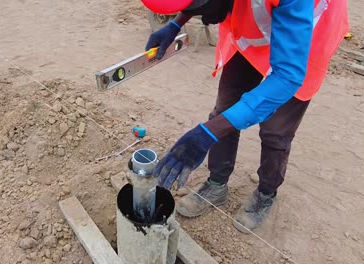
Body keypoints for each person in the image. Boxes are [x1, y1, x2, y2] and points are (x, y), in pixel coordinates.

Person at [141, 0, 349, 233]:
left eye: (200, 10)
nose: (203, 19)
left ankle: (266, 194)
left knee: (275, 130)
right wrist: (177, 23)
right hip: (252, 24)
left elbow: (288, 77)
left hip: (304, 34)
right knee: (225, 110)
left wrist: (207, 133)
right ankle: (216, 184)